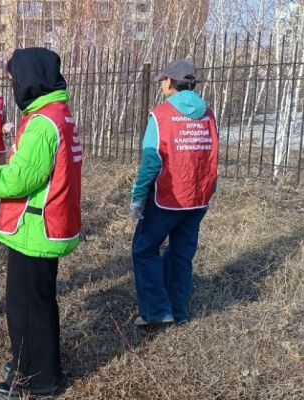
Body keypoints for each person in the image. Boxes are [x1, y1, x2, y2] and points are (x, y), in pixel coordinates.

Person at [0, 48, 83, 398]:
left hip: (34, 227)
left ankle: (36, 380)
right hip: (48, 224)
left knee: (25, 307)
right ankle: (35, 364)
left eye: (14, 79)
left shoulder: (42, 123)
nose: (12, 86)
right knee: (39, 302)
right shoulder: (58, 114)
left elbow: (18, 180)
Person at [129, 59, 219, 326]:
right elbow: (212, 154)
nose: (161, 85)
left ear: (170, 82)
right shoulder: (208, 114)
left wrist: (137, 198)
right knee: (181, 253)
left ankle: (157, 311)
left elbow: (151, 161)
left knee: (144, 250)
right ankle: (179, 311)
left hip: (167, 197)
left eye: (163, 80)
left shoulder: (162, 115)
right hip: (198, 196)